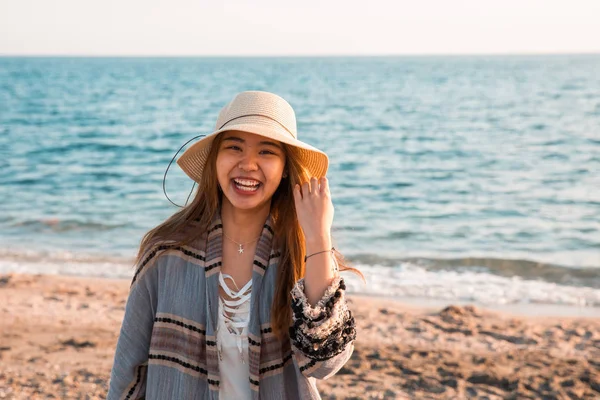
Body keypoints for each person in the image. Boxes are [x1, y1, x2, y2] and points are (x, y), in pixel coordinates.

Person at [107, 91, 358, 400]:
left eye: (267, 152)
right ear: (215, 160)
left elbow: (324, 361)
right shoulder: (166, 253)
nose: (248, 164)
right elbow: (128, 371)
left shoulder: (301, 256)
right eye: (234, 147)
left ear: (284, 170)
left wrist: (319, 237)